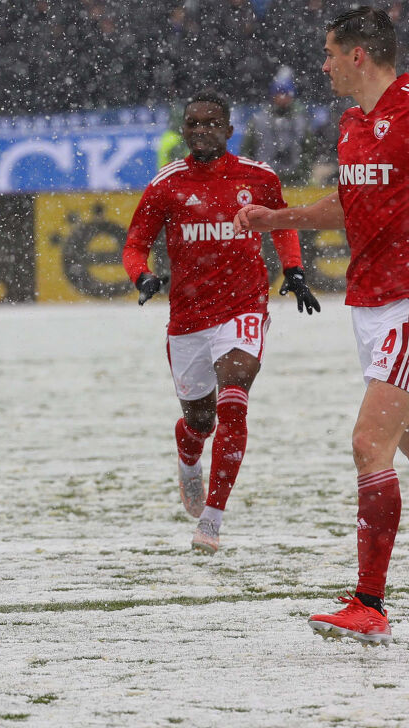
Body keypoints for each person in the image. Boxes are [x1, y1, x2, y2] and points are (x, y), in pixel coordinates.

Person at [234, 7, 406, 646]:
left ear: (360, 54)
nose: (323, 64)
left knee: (369, 444)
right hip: (370, 305)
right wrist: (274, 221)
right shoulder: (353, 125)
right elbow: (349, 205)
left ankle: (370, 604)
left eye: (331, 52)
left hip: (407, 302)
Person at [123, 88, 320, 555]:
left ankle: (211, 521)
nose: (201, 130)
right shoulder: (166, 185)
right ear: (184, 130)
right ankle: (189, 456)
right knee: (200, 419)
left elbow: (283, 222)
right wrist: (143, 276)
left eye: (211, 123)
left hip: (244, 307)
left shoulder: (258, 177)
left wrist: (293, 268)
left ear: (229, 130)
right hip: (189, 316)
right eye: (193, 123)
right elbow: (134, 244)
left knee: (234, 398)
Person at [240, 66, 315, 186]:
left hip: (295, 181)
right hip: (264, 180)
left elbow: (309, 150)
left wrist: (303, 172)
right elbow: (247, 150)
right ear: (272, 96)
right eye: (279, 94)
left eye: (286, 94)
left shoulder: (301, 121)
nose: (282, 98)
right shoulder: (259, 120)